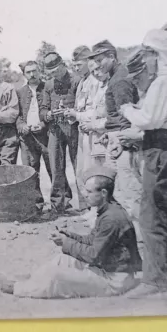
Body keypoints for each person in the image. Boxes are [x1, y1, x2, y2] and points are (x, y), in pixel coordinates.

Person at [0, 167, 141, 299]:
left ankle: (16, 288)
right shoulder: (109, 210)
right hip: (106, 269)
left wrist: (66, 243)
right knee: (61, 260)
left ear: (103, 193)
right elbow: (92, 240)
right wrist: (70, 236)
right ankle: (30, 283)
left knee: (56, 276)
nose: (84, 194)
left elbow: (93, 255)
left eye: (89, 191)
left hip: (114, 280)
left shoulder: (111, 218)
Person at [120, 30, 167, 297]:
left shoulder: (163, 81)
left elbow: (149, 119)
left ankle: (154, 279)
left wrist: (127, 109)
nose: (146, 60)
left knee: (151, 214)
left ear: (156, 54)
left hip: (160, 147)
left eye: (148, 54)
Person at [86, 40, 143, 225]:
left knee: (129, 191)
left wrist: (117, 137)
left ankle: (138, 240)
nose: (97, 65)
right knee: (118, 191)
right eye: (95, 60)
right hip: (116, 137)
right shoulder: (115, 76)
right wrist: (110, 133)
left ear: (112, 56)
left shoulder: (120, 80)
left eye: (101, 60)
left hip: (123, 142)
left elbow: (127, 114)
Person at [40, 51, 80, 215]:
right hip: (55, 130)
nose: (54, 75)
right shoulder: (49, 85)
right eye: (51, 73)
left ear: (63, 65)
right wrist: (47, 115)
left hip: (73, 129)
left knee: (79, 166)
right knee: (56, 167)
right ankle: (59, 204)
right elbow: (43, 108)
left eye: (56, 70)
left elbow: (84, 106)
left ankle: (86, 204)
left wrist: (71, 111)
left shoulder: (76, 81)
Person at [63, 46, 101, 210]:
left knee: (93, 173)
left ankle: (96, 210)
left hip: (94, 132)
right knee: (82, 171)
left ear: (88, 61)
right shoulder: (82, 82)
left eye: (79, 64)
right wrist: (72, 115)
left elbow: (95, 111)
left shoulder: (95, 81)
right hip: (82, 131)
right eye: (75, 65)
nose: (76, 68)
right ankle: (87, 207)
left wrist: (76, 115)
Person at [16, 60, 51, 208]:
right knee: (31, 170)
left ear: (39, 71)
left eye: (34, 71)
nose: (32, 74)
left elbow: (53, 110)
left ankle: (60, 202)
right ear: (24, 74)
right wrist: (22, 125)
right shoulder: (20, 92)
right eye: (28, 72)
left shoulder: (48, 88)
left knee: (53, 168)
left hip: (47, 135)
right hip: (28, 137)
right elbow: (16, 115)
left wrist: (43, 124)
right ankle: (37, 202)